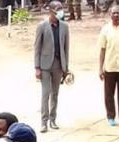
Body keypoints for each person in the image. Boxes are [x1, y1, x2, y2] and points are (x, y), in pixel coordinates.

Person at [34, 1, 70, 133]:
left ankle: (53, 119)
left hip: (58, 65)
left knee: (55, 93)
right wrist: (37, 67)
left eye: (61, 8)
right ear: (51, 11)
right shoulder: (42, 26)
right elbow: (37, 48)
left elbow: (66, 48)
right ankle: (43, 122)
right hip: (44, 65)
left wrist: (66, 67)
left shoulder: (64, 27)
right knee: (46, 93)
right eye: (58, 9)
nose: (61, 11)